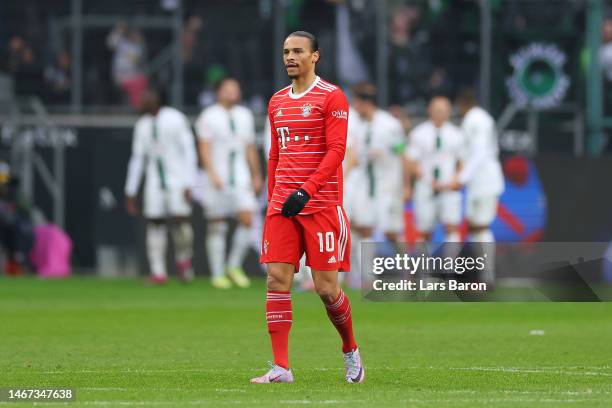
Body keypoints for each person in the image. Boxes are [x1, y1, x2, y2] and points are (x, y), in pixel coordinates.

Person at [252, 31, 364, 384]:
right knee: (277, 279)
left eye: (298, 51)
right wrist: (274, 197)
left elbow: (337, 151)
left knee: (327, 288)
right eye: (286, 51)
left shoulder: (332, 97)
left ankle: (350, 351)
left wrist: (307, 190)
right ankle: (281, 367)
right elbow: (275, 153)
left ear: (315, 56)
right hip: (283, 206)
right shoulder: (277, 101)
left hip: (321, 206)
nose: (290, 57)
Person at [124, 89, 197, 284]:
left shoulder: (175, 119)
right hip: (155, 181)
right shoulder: (142, 125)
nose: (142, 100)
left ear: (157, 98)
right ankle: (158, 272)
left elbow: (189, 150)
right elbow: (138, 158)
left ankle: (184, 261)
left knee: (180, 222)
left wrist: (190, 182)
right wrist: (131, 190)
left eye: (146, 96)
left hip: (177, 179)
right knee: (155, 223)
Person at [195, 78, 262, 289]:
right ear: (218, 92)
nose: (233, 92)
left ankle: (233, 266)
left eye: (236, 88)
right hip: (219, 176)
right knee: (217, 223)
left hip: (240, 176)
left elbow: (250, 147)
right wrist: (212, 173)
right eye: (228, 89)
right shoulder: (208, 116)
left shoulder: (245, 115)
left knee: (248, 218)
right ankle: (217, 273)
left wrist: (256, 174)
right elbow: (204, 147)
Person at [439, 88, 505, 283]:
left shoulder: (475, 120)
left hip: (484, 179)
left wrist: (461, 178)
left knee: (481, 226)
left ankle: (487, 278)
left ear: (461, 103)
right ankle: (483, 276)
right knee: (476, 227)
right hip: (479, 181)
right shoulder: (480, 118)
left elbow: (480, 152)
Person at [347, 82, 407, 287]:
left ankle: (409, 271)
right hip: (366, 185)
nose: (354, 107)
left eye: (356, 103)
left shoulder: (390, 125)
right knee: (364, 228)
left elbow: (402, 155)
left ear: (365, 103)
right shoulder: (360, 127)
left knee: (391, 232)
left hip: (388, 186)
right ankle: (367, 277)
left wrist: (406, 186)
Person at [406, 96, 463, 243]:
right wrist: (424, 179)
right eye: (437, 110)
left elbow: (461, 162)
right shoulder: (418, 133)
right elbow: (411, 161)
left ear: (449, 112)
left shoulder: (457, 135)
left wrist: (456, 180)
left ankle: (450, 265)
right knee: (424, 232)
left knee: (451, 228)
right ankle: (423, 266)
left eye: (443, 111)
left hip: (448, 187)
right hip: (426, 187)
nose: (440, 114)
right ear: (429, 110)